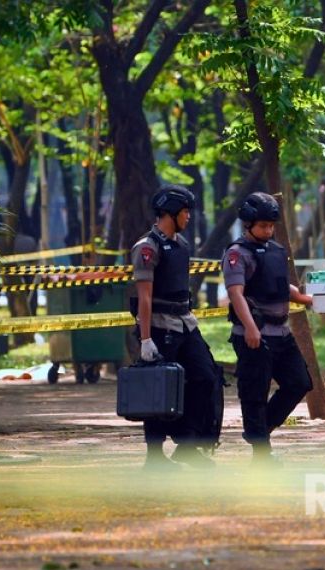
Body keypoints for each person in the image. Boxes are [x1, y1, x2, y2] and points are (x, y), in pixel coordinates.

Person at [222, 192, 314, 467]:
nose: (268, 230)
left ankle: (258, 432)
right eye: (263, 225)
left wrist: (307, 299)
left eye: (271, 226)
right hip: (254, 335)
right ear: (248, 223)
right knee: (255, 391)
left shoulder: (274, 251)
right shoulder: (237, 254)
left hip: (282, 334)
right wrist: (251, 328)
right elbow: (236, 293)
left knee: (299, 383)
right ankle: (261, 451)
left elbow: (280, 286)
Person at [132, 184, 219, 470]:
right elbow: (144, 296)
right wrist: (145, 339)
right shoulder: (147, 247)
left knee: (206, 376)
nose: (189, 217)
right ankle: (154, 457)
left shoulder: (181, 245)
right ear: (170, 212)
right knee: (158, 389)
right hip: (158, 325)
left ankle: (188, 445)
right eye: (185, 211)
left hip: (185, 322)